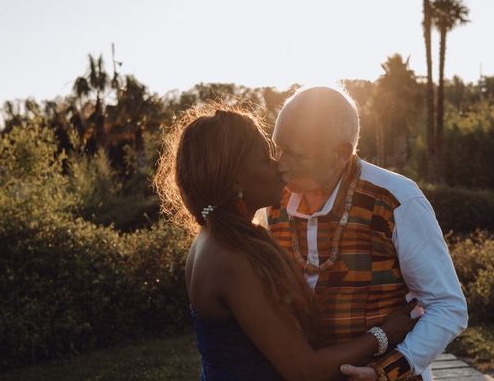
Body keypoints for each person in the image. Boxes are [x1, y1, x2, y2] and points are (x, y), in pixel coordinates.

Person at [154, 103, 419, 381]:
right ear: (235, 181)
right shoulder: (231, 259)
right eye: (265, 157)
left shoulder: (219, 239)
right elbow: (305, 370)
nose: (278, 166)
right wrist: (384, 333)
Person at [267, 86, 468, 381]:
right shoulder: (274, 202)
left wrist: (384, 372)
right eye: (277, 148)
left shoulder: (396, 199)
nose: (281, 164)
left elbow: (448, 306)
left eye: (295, 154)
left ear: (340, 154)